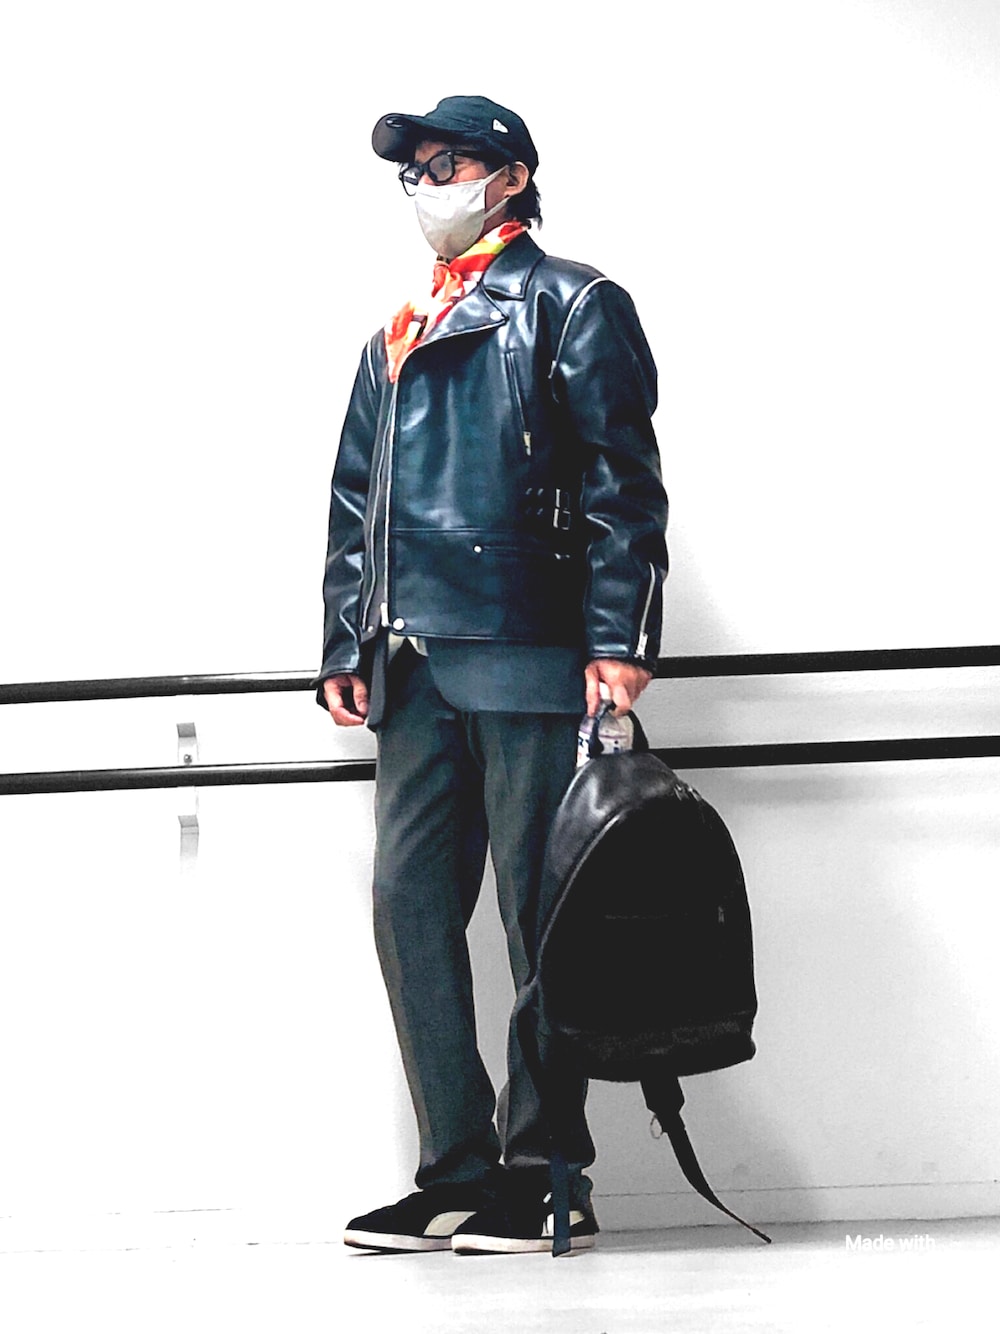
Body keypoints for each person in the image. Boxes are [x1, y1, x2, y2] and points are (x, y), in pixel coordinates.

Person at [317, 95, 668, 1255]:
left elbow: (623, 482)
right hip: (410, 664)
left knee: (539, 919)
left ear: (510, 176)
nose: (429, 184)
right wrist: (345, 640)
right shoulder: (398, 328)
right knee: (409, 911)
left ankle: (548, 1174)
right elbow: (356, 500)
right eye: (416, 170)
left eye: (449, 163)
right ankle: (455, 1170)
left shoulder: (572, 301)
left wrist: (619, 641)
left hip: (526, 647)